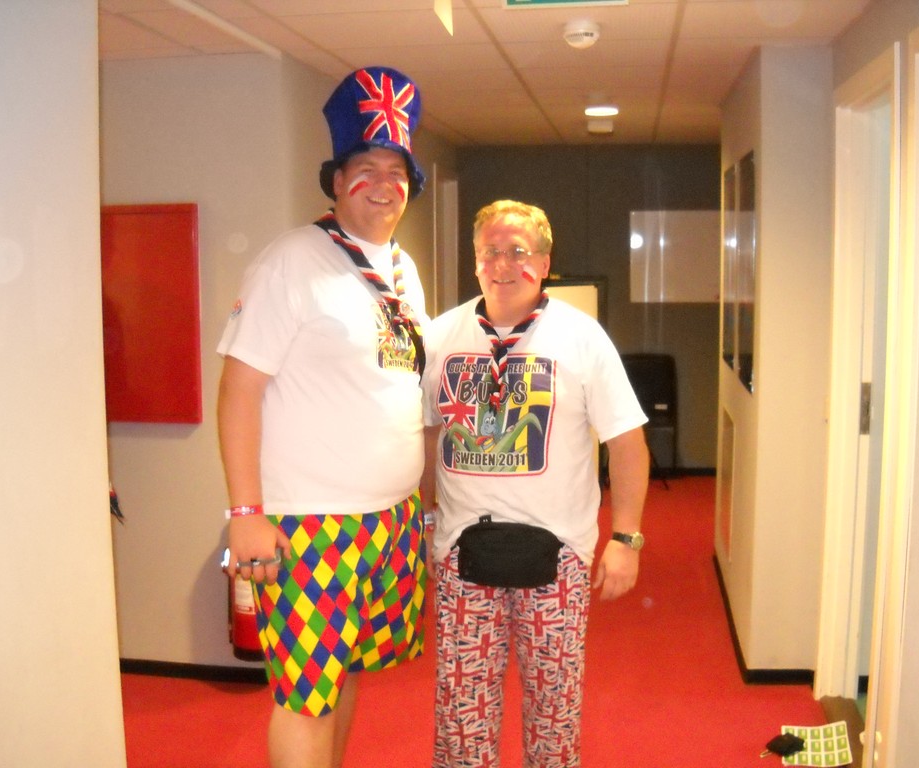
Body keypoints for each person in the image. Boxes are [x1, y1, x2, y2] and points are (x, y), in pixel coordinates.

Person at [217, 66, 430, 768]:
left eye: (396, 171)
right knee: (305, 697)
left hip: (389, 520)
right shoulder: (292, 261)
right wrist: (245, 513)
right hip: (311, 525)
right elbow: (238, 391)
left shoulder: (401, 268)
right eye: (365, 168)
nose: (382, 183)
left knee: (345, 676)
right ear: (336, 182)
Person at [420, 200, 650, 768]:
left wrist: (626, 539)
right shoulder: (441, 335)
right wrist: (426, 519)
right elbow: (427, 434)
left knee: (554, 707)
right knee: (462, 711)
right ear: (475, 260)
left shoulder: (582, 337)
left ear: (544, 263)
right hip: (462, 551)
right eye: (490, 252)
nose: (503, 264)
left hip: (559, 553)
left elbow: (627, 442)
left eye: (518, 252)